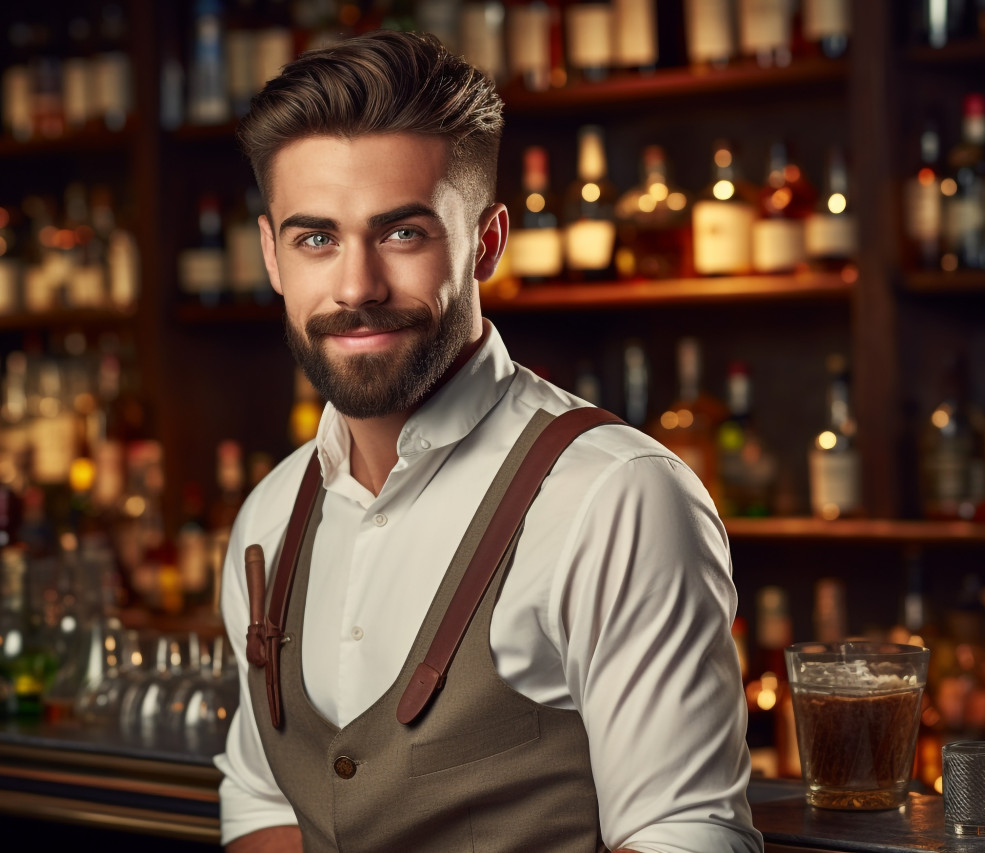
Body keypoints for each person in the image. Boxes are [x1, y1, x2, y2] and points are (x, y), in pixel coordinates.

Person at [216, 29, 761, 853]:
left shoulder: (616, 498)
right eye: (316, 238)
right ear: (271, 255)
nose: (357, 286)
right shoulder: (266, 519)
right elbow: (264, 804)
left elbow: (686, 836)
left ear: (487, 242)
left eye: (403, 233)